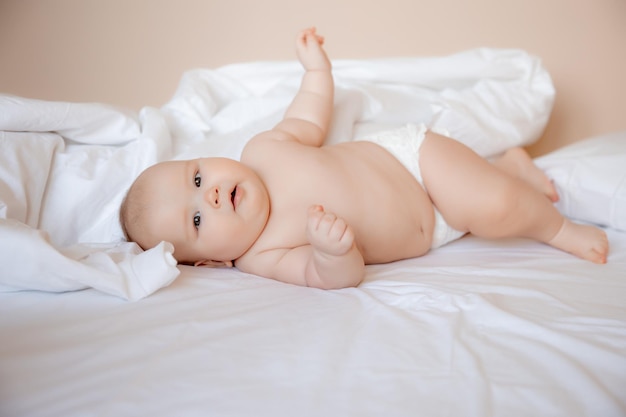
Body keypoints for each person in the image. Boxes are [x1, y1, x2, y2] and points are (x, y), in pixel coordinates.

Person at [120, 27, 609, 289]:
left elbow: (308, 118)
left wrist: (315, 70)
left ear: (207, 158)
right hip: (434, 230)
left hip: (412, 162)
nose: (211, 195)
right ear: (210, 262)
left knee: (496, 208)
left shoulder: (263, 149)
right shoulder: (261, 257)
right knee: (477, 207)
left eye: (198, 176)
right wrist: (332, 254)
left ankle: (556, 228)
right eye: (199, 216)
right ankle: (512, 166)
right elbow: (330, 277)